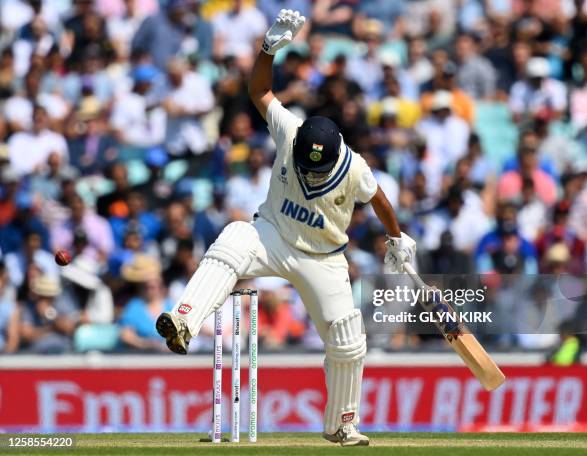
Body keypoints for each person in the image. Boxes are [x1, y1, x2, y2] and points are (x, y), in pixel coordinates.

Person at [155, 9, 417, 447]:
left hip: (323, 257)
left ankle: (341, 424)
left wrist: (396, 237)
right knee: (234, 238)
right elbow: (259, 90)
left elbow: (379, 200)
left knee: (349, 340)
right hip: (272, 235)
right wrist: (268, 49)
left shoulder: (355, 168)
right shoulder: (290, 129)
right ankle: (184, 322)